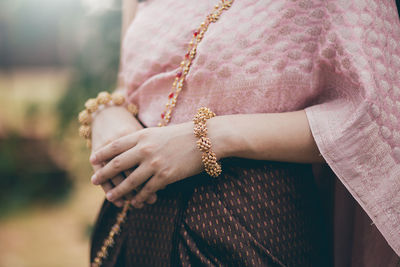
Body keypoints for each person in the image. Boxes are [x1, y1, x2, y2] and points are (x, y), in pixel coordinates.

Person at [87, 0, 400, 266]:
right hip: (131, 224)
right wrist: (106, 111)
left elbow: (370, 119)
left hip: (246, 229)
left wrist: (209, 139)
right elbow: (129, 84)